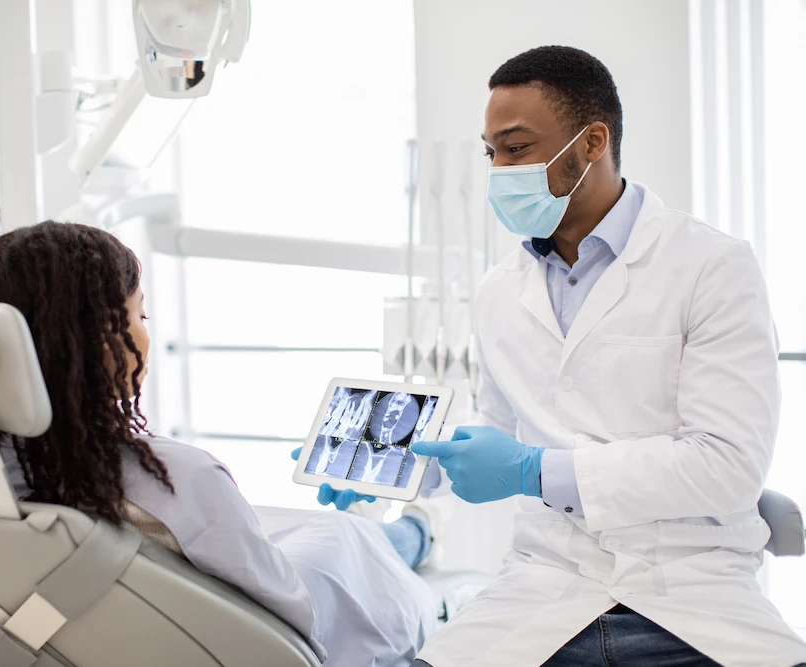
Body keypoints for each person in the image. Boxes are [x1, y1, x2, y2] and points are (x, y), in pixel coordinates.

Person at [319, 46, 806, 666]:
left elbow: (727, 466)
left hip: (690, 595)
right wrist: (405, 468)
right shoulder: (500, 290)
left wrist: (534, 471)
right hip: (544, 592)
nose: (498, 169)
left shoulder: (712, 266)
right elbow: (495, 432)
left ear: (592, 141)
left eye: (517, 149)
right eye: (490, 151)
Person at [0, 222, 438, 667]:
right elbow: (298, 626)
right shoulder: (180, 478)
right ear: (91, 339)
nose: (145, 334)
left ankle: (412, 533)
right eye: (139, 315)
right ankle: (418, 534)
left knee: (331, 533)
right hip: (258, 615)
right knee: (343, 538)